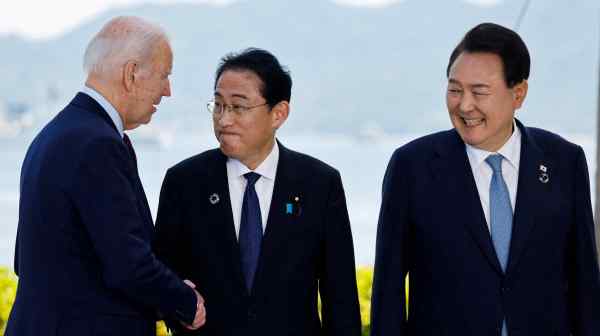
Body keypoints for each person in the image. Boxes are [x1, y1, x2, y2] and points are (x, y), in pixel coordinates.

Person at [370, 22, 600, 336]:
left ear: (518, 93)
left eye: (479, 92)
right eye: (454, 89)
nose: (464, 105)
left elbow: (584, 283)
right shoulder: (412, 167)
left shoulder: (564, 162)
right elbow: (388, 289)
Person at [6, 16, 206, 336]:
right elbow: (129, 265)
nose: (168, 91)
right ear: (131, 74)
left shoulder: (55, 134)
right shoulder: (97, 144)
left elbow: (26, 259)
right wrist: (185, 301)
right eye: (164, 76)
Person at [153, 48, 362, 335]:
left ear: (278, 113)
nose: (224, 119)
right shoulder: (184, 182)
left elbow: (341, 299)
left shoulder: (319, 184)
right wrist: (180, 309)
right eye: (218, 105)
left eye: (238, 107)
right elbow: (162, 277)